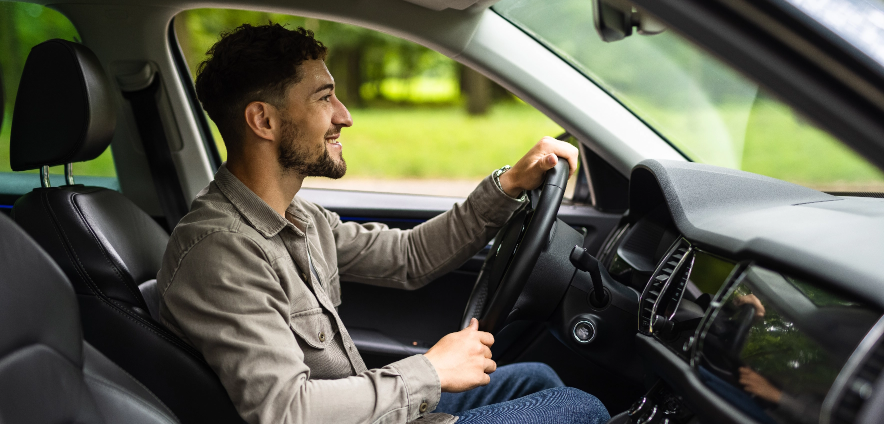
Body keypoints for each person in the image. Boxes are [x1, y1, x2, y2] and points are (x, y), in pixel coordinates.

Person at [156, 23, 610, 424]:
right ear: (264, 120)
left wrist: (507, 185)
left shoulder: (300, 217)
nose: (345, 116)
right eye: (324, 97)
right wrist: (431, 370)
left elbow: (409, 256)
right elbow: (287, 411)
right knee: (578, 408)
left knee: (537, 379)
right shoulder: (221, 251)